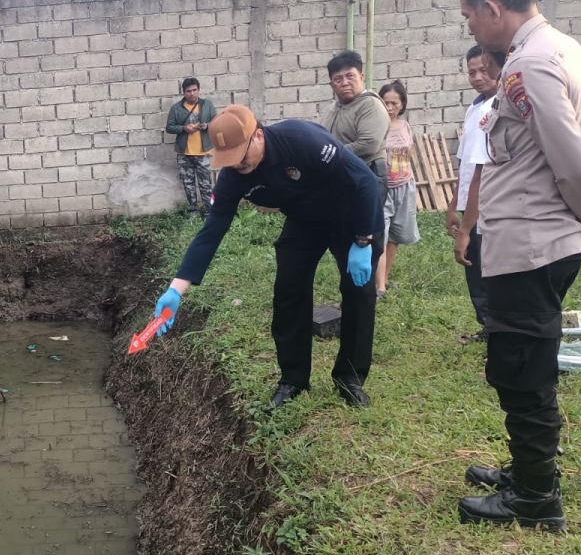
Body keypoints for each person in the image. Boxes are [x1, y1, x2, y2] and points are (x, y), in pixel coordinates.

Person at [455, 0, 581, 531]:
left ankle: (537, 499)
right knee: (523, 361)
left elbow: (574, 160)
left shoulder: (530, 66)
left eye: (470, 14)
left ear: (494, 9)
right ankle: (527, 472)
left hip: (531, 239)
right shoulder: (567, 50)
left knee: (521, 366)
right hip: (544, 237)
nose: (469, 24)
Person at [151, 105, 384, 409]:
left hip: (351, 215)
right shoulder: (235, 176)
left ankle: (350, 378)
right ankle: (293, 379)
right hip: (304, 220)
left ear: (258, 136)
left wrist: (364, 241)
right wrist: (175, 288)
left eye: (241, 156)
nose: (237, 165)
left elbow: (364, 181)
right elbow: (213, 230)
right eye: (229, 160)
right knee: (289, 290)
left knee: (358, 292)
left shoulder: (302, 139)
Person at [447, 46, 501, 334]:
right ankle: (488, 325)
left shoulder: (498, 108)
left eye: (483, 70)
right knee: (474, 267)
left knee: (490, 269)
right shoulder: (473, 108)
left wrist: (467, 226)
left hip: (488, 204)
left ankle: (499, 328)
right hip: (469, 203)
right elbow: (465, 164)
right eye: (472, 72)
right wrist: (454, 204)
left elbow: (482, 172)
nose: (478, 77)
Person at [375, 80, 421, 299]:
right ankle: (380, 287)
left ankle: (383, 278)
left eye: (395, 103)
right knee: (380, 236)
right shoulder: (377, 126)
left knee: (394, 237)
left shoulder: (405, 126)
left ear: (402, 105)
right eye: (386, 103)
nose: (390, 107)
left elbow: (409, 154)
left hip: (404, 186)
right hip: (383, 188)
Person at [319, 50, 391, 186]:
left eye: (350, 76)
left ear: (362, 77)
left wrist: (329, 154)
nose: (345, 83)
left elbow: (368, 144)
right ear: (332, 85)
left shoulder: (370, 104)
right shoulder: (331, 110)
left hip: (366, 177)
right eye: (338, 79)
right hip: (340, 178)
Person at [165, 78, 217, 217]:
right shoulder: (176, 108)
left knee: (206, 185)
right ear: (184, 92)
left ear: (198, 90)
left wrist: (207, 126)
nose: (192, 93)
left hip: (203, 151)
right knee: (188, 184)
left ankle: (209, 212)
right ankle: (193, 211)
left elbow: (217, 122)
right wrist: (183, 128)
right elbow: (169, 127)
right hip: (184, 153)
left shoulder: (207, 105)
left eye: (194, 90)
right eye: (189, 91)